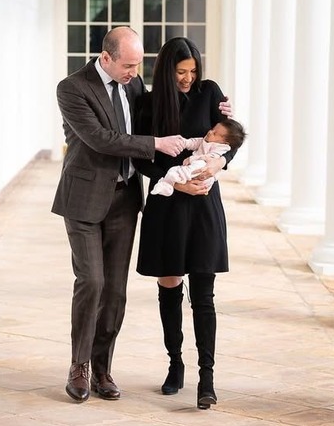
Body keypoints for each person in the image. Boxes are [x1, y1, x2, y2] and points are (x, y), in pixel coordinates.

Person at [52, 27, 230, 404]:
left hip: (125, 199)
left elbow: (215, 131)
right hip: (85, 198)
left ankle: (103, 368)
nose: (135, 73)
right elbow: (101, 138)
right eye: (128, 66)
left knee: (116, 290)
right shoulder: (72, 88)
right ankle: (80, 366)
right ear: (106, 58)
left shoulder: (133, 86)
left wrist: (221, 135)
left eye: (138, 65)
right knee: (92, 281)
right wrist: (158, 148)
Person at [132, 36, 241, 410]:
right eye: (181, 71)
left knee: (204, 294)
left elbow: (231, 138)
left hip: (204, 204)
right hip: (167, 204)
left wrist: (219, 162)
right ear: (167, 70)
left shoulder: (210, 93)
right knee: (170, 284)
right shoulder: (148, 104)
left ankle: (206, 379)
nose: (188, 78)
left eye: (193, 71)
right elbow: (141, 157)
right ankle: (175, 363)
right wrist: (176, 182)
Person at [150, 119, 246, 197]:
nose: (210, 132)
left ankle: (169, 182)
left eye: (215, 133)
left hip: (203, 171)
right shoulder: (207, 140)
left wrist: (191, 159)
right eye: (212, 129)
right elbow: (194, 142)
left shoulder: (221, 148)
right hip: (196, 168)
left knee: (187, 168)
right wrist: (184, 142)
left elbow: (208, 159)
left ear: (225, 143)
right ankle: (169, 184)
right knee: (175, 170)